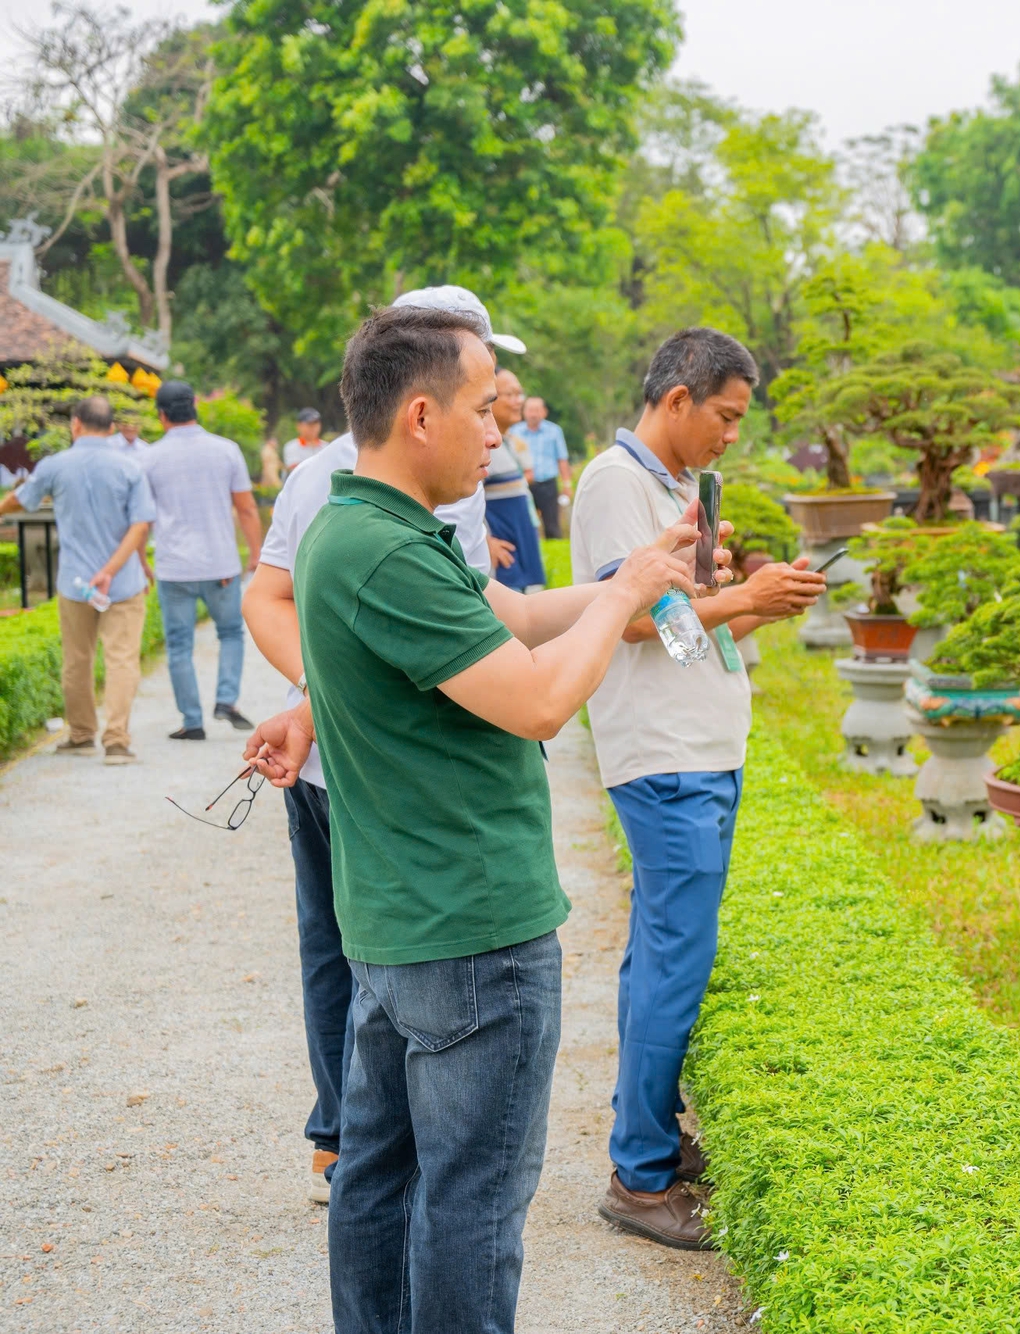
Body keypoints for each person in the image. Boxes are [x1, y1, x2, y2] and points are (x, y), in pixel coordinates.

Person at [241, 302, 721, 1334]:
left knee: (379, 1175)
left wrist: (620, 586)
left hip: (399, 921)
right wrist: (624, 590)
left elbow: (516, 616)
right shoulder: (389, 551)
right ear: (420, 414)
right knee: (469, 1203)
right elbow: (541, 698)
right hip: (471, 931)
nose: (499, 433)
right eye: (482, 411)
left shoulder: (358, 527)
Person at [241, 286, 513, 1207]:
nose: (493, 422)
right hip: (378, 759)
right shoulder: (410, 483)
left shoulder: (328, 474)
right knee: (377, 954)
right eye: (478, 388)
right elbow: (454, 638)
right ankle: (370, 1146)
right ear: (421, 393)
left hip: (329, 745)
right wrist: (335, 690)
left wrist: (322, 696)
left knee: (344, 946)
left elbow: (283, 602)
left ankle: (347, 1143)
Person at [570, 327, 825, 1249]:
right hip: (667, 759)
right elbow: (632, 619)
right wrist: (741, 601)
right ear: (677, 399)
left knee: (660, 961)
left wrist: (750, 602)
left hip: (698, 747)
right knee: (675, 964)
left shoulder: (675, 489)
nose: (730, 437)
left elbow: (685, 635)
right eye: (724, 416)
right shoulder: (615, 483)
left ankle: (652, 1141)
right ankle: (637, 1180)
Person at [0, 395, 154, 764]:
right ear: (113, 427)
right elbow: (140, 526)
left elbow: (23, 498)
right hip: (121, 583)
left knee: (76, 660)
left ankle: (82, 734)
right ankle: (116, 742)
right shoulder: (130, 467)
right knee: (121, 661)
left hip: (75, 582)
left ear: (76, 425)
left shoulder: (55, 465)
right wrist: (113, 570)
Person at [141, 380, 264, 741]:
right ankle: (226, 699)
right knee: (230, 633)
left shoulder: (148, 457)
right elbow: (246, 507)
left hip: (173, 568)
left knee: (178, 645)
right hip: (220, 565)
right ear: (195, 406)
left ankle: (192, 721)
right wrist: (256, 554)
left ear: (161, 415)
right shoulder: (226, 450)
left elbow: (140, 518)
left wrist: (141, 560)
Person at [483, 370, 543, 591]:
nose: (518, 401)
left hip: (523, 549)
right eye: (510, 394)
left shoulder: (509, 443)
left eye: (520, 394)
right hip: (504, 563)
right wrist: (485, 540)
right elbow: (463, 503)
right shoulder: (482, 446)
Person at [512, 395, 570, 540]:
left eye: (537, 410)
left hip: (548, 484)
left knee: (552, 525)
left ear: (544, 412)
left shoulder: (554, 431)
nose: (533, 414)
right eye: (530, 410)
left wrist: (567, 484)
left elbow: (562, 459)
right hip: (523, 484)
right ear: (524, 412)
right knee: (524, 524)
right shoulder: (514, 432)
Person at [283, 408, 325, 473]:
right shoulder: (291, 446)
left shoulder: (326, 446)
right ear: (298, 426)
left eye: (316, 423)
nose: (313, 427)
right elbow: (297, 470)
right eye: (309, 423)